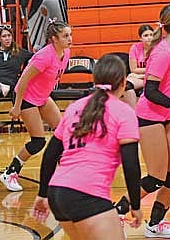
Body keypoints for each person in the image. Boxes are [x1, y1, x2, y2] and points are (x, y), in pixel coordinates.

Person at [31, 54, 142, 240]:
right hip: (88, 194)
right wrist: (136, 205)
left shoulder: (75, 107)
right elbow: (131, 165)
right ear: (123, 83)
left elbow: (50, 154)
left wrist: (43, 194)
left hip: (58, 192)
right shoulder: (124, 112)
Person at [114, 3, 170, 238]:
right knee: (156, 178)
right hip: (150, 117)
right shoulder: (162, 51)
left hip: (168, 116)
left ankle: (155, 223)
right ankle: (117, 211)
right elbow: (151, 91)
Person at [0, 19, 71, 192]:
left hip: (42, 96)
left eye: (70, 35)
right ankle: (10, 172)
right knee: (38, 141)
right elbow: (23, 80)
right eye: (65, 36)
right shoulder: (44, 56)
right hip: (26, 97)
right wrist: (17, 107)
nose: (70, 39)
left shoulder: (66, 52)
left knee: (63, 133)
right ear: (54, 39)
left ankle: (66, 173)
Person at [122, 24, 154, 108]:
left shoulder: (158, 48)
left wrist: (140, 74)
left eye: (151, 35)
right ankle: (133, 112)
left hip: (153, 77)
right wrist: (145, 72)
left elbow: (156, 70)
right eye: (146, 35)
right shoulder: (135, 48)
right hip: (141, 76)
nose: (149, 37)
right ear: (140, 38)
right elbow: (133, 69)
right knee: (125, 85)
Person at [0, 25, 32, 98]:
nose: (7, 38)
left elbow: (37, 58)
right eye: (4, 36)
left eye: (9, 35)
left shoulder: (20, 52)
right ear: (0, 38)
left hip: (9, 86)